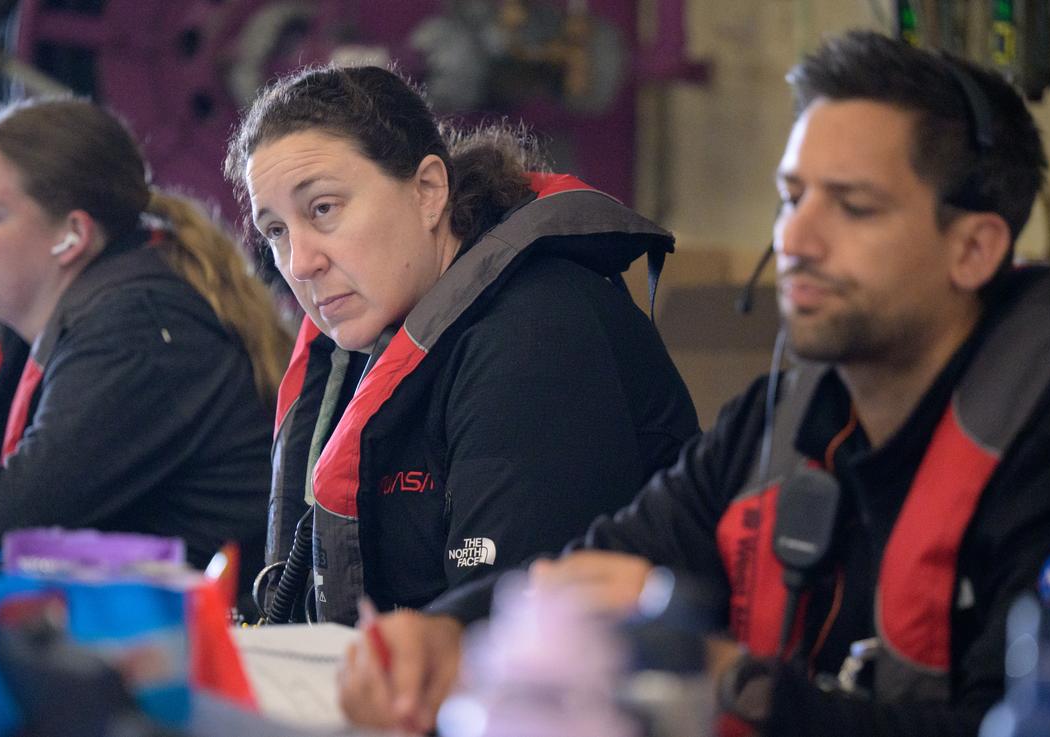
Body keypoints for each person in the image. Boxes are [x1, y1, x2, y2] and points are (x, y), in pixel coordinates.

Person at [337, 30, 1050, 737]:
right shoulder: (781, 420)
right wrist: (448, 633)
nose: (795, 238)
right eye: (791, 198)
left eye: (851, 207)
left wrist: (726, 679)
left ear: (975, 249)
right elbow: (605, 562)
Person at [223, 65, 699, 626]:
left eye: (323, 208)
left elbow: (512, 634)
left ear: (428, 191)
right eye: (275, 230)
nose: (300, 263)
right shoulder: (361, 345)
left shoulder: (537, 335)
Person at [0, 97, 289, 602]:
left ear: (72, 236)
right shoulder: (25, 327)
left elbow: (25, 506)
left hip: (206, 648)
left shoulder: (138, 326)